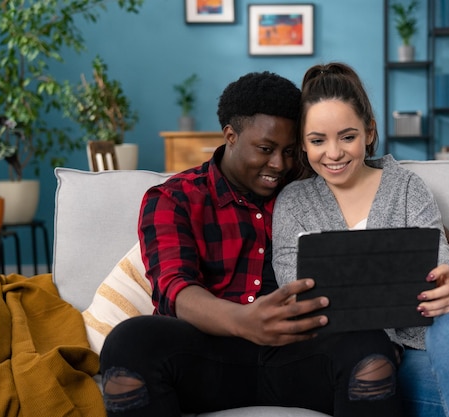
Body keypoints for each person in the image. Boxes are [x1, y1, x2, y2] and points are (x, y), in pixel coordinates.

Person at [99, 71, 404, 416]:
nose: (279, 164)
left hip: (298, 357)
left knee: (370, 345)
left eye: (289, 151)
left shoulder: (304, 183)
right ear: (230, 135)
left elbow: (381, 189)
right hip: (206, 356)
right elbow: (175, 289)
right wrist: (243, 320)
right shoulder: (174, 198)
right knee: (128, 343)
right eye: (265, 149)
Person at [271, 62, 449, 417]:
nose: (334, 153)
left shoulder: (406, 187)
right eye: (317, 140)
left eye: (347, 136)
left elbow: (440, 262)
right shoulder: (294, 203)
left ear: (369, 132)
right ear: (303, 143)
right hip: (397, 359)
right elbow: (295, 292)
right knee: (401, 383)